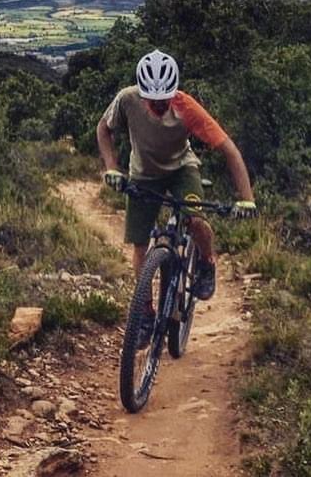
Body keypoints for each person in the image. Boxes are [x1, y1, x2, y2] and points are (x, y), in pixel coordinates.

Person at [96, 49, 256, 346]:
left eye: (163, 99)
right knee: (140, 245)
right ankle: (144, 312)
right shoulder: (127, 99)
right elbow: (104, 130)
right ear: (142, 91)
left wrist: (246, 199)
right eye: (151, 99)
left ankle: (206, 262)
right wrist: (112, 168)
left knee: (195, 220)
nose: (157, 104)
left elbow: (229, 149)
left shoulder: (186, 107)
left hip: (182, 169)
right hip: (143, 173)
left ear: (172, 92)